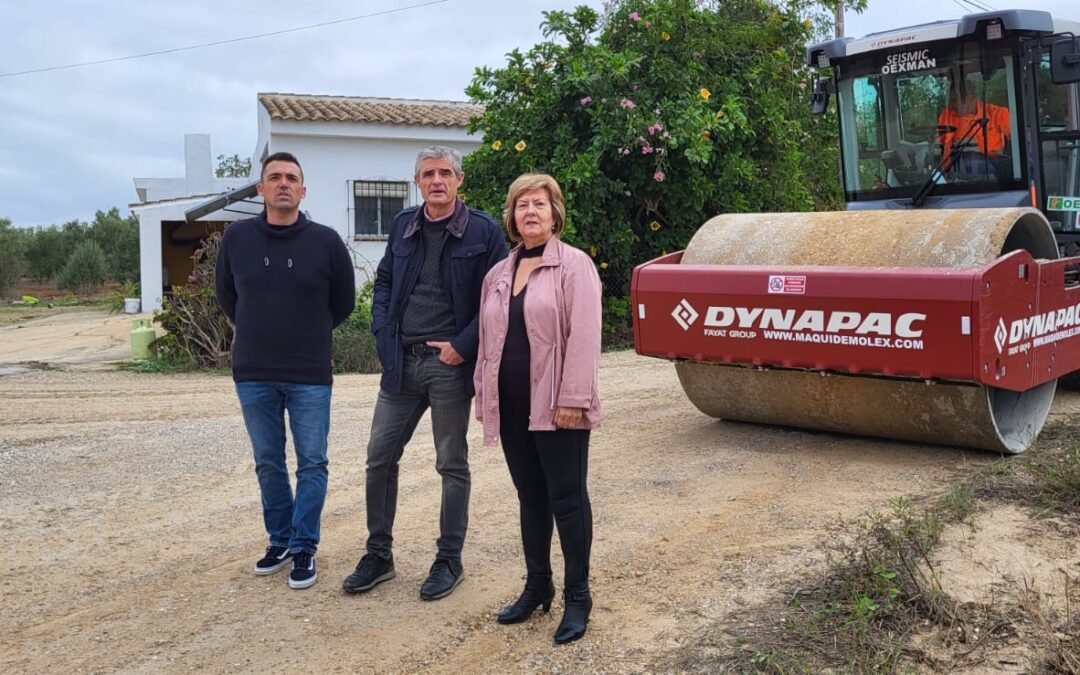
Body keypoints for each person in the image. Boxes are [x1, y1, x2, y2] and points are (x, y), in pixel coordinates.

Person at [342, 146, 508, 600]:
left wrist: (462, 346)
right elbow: (386, 283)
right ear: (417, 182)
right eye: (428, 174)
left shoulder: (484, 231)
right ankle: (379, 555)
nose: (437, 180)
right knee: (379, 457)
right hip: (401, 362)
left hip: (448, 368)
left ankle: (448, 560)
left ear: (459, 179)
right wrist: (381, 331)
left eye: (445, 173)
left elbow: (498, 300)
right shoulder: (403, 224)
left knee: (450, 463)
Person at [215, 151, 356, 590]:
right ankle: (279, 540)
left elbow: (343, 303)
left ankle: (304, 547)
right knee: (268, 462)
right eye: (273, 177)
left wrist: (306, 334)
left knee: (312, 462)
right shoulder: (236, 239)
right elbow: (228, 298)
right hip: (253, 372)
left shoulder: (326, 242)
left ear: (302, 190)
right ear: (261, 188)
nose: (282, 184)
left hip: (309, 373)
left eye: (291, 178)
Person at [474, 173, 602, 644]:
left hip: (557, 405)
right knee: (531, 498)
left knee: (567, 500)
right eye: (522, 205)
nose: (530, 212)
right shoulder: (498, 274)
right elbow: (489, 341)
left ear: (555, 214)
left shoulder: (574, 266)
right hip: (512, 407)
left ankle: (578, 596)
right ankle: (537, 585)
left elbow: (585, 339)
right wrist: (483, 397)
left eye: (540, 205)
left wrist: (573, 398)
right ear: (511, 216)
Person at [937, 79, 1011, 173]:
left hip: (995, 168)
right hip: (961, 169)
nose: (950, 105)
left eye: (954, 100)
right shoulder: (947, 115)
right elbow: (943, 149)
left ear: (971, 99)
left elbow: (1019, 142)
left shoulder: (998, 114)